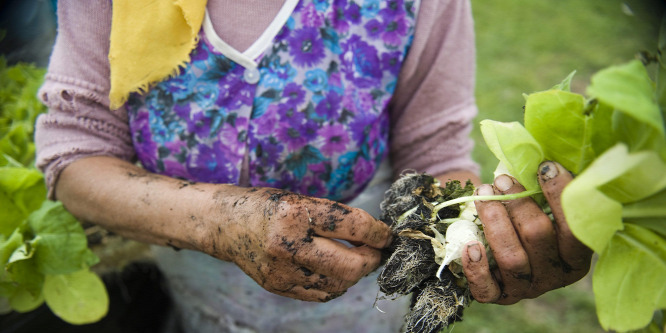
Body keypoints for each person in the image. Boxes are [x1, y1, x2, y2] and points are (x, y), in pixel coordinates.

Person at [34, 0, 592, 332]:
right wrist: (220, 222)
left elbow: (436, 160)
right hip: (194, 303)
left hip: (354, 313)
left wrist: (483, 238)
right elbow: (77, 153)